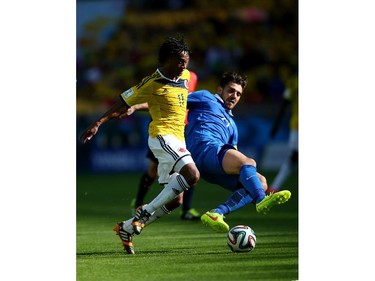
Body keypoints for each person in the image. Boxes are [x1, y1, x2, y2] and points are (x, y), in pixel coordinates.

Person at [80, 35, 200, 254]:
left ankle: (126, 227)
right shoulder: (152, 82)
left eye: (187, 60)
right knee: (192, 175)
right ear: (167, 59)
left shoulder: (184, 76)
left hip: (179, 138)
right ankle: (143, 213)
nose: (185, 65)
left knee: (176, 201)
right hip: (162, 136)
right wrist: (97, 123)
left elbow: (161, 102)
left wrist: (138, 107)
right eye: (181, 61)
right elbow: (122, 103)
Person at [184, 71, 292, 233]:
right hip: (202, 148)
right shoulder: (205, 97)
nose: (234, 96)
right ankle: (261, 200)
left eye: (238, 94)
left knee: (260, 182)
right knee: (249, 163)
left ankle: (217, 213)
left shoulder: (232, 126)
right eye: (231, 90)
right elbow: (174, 102)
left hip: (211, 166)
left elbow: (233, 154)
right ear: (220, 89)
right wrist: (139, 105)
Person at [130, 71, 201, 221]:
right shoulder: (161, 76)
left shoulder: (191, 77)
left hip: (182, 129)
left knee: (189, 167)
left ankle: (186, 209)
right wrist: (136, 106)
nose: (182, 63)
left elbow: (189, 101)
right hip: (163, 130)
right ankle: (138, 203)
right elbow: (155, 100)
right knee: (153, 170)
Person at [268, 73, 298, 193]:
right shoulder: (294, 82)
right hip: (297, 125)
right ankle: (274, 187)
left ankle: (274, 187)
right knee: (294, 157)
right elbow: (285, 103)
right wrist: (276, 125)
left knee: (294, 157)